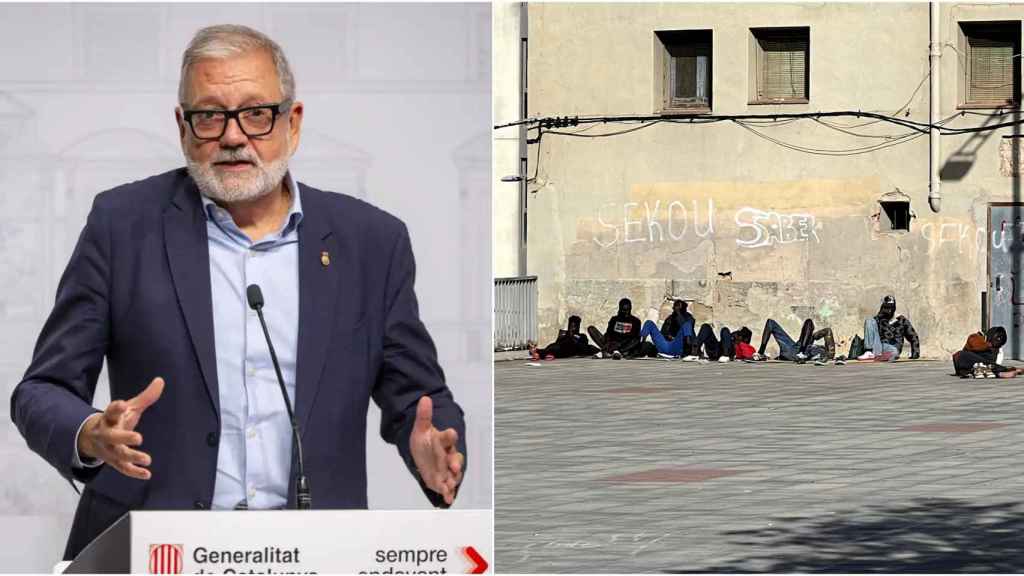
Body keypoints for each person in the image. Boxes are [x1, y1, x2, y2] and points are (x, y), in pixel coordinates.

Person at [9, 25, 466, 561]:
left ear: (292, 124)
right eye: (209, 115)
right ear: (183, 128)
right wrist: (90, 433)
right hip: (151, 550)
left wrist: (434, 451)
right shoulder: (121, 224)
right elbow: (40, 391)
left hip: (314, 555)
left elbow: (418, 400)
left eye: (256, 113)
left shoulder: (371, 242)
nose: (232, 136)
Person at [857, 295, 920, 361]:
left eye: (891, 308)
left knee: (894, 352)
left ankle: (882, 356)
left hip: (893, 348)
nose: (889, 310)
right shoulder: (880, 318)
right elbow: (871, 330)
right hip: (879, 346)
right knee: (869, 321)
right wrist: (880, 315)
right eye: (886, 307)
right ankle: (869, 352)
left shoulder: (902, 320)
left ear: (894, 308)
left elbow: (913, 336)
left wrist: (915, 354)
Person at [753, 318, 835, 363]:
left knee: (809, 322)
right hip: (795, 349)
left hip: (795, 351)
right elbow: (827, 331)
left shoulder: (822, 352)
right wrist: (814, 336)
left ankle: (760, 353)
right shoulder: (819, 349)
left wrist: (814, 336)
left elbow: (828, 331)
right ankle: (760, 353)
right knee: (770, 322)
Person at [952, 326, 1021, 378]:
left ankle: (1001, 371)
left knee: (986, 363)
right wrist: (990, 345)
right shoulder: (975, 337)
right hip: (964, 362)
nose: (997, 342)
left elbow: (992, 362)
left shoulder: (994, 350)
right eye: (997, 338)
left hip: (979, 367)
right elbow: (975, 346)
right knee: (961, 354)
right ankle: (1001, 371)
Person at [531, 315, 599, 360]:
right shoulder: (564, 334)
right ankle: (539, 352)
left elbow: (584, 347)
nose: (572, 328)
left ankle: (603, 351)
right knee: (555, 347)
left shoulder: (582, 336)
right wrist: (568, 336)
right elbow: (557, 344)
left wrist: (575, 338)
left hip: (575, 350)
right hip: (562, 350)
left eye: (574, 326)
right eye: (571, 326)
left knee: (591, 347)